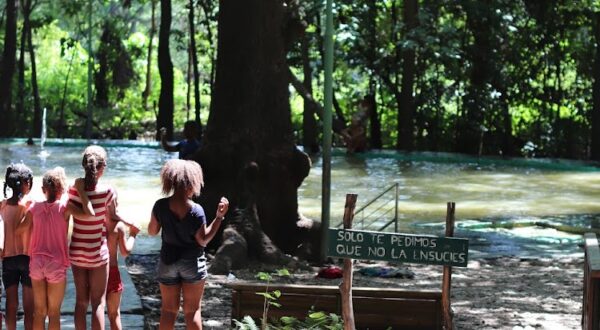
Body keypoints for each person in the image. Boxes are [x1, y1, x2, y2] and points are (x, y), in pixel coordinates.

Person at [148, 159, 229, 329]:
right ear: (191, 183)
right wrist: (219, 217)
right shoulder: (196, 210)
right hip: (191, 262)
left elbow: (152, 231)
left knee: (168, 311)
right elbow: (203, 240)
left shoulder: (160, 205)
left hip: (167, 261)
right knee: (192, 311)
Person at [18, 167, 92, 330]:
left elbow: (19, 230)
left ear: (43, 190)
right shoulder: (65, 207)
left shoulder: (34, 208)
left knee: (39, 312)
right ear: (62, 189)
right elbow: (89, 214)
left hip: (36, 262)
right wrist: (80, 191)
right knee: (54, 313)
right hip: (56, 264)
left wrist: (24, 205)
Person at [68, 145, 119, 330]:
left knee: (81, 302)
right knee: (98, 302)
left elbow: (68, 214)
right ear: (102, 167)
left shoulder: (73, 190)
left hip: (77, 252)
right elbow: (111, 221)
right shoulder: (108, 191)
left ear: (84, 165)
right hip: (97, 253)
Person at [1, 163, 34, 330]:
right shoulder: (31, 205)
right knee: (29, 307)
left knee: (11, 304)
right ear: (26, 183)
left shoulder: (2, 206)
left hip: (8, 259)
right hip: (28, 259)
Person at [105, 197, 139, 330]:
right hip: (112, 272)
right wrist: (133, 235)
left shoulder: (96, 223)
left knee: (98, 310)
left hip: (96, 272)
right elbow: (125, 251)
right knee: (114, 314)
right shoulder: (118, 227)